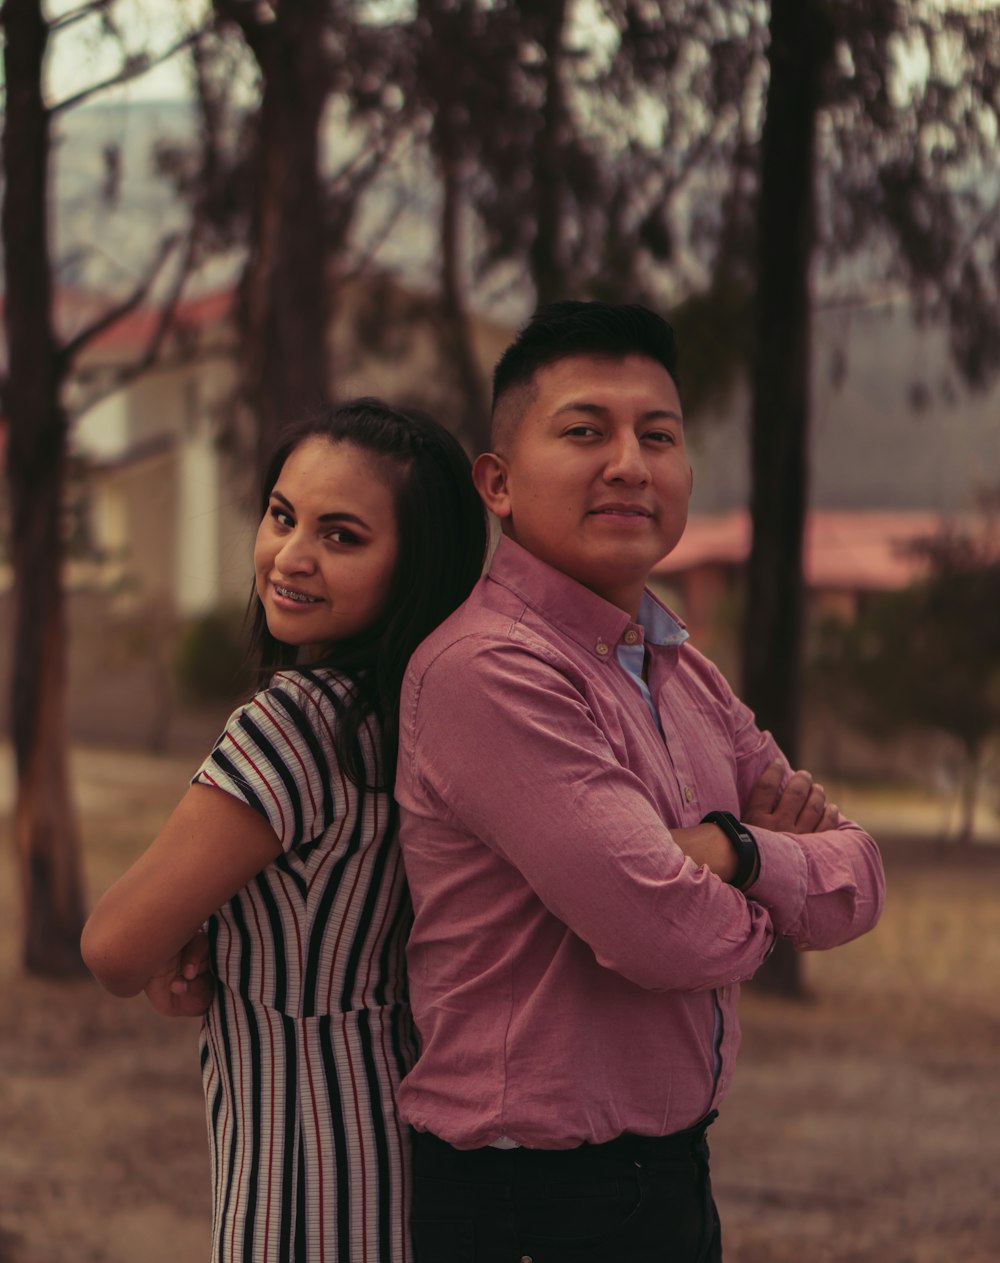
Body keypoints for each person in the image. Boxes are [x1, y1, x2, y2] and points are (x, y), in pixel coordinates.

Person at [393, 302, 886, 1262]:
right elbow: (657, 928)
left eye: (657, 435)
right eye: (585, 431)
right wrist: (770, 884)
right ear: (495, 481)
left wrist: (733, 850)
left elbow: (861, 877)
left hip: (665, 1179)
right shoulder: (490, 670)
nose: (630, 462)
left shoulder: (680, 667)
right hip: (526, 1203)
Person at [82, 398, 488, 1263]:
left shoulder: (296, 727)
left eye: (342, 535)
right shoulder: (417, 719)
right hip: (412, 1167)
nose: (291, 556)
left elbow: (114, 945)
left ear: (415, 565)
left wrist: (172, 938)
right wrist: (211, 932)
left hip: (305, 1189)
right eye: (281, 515)